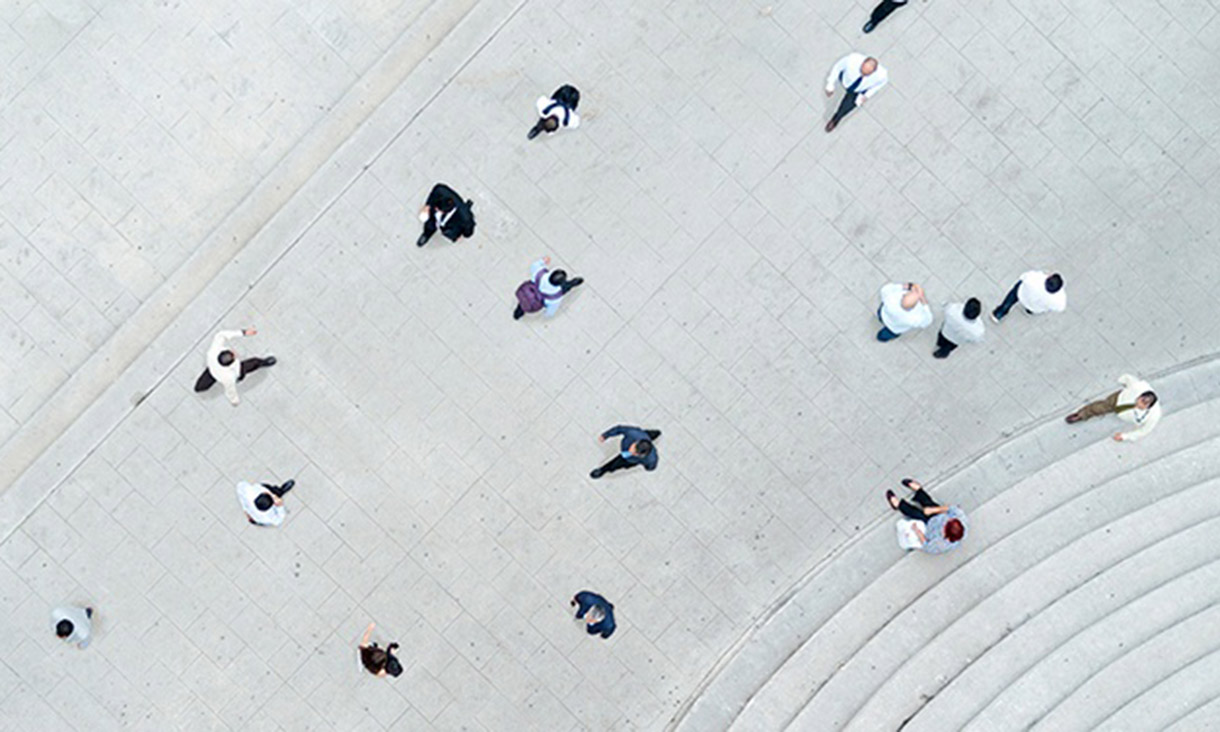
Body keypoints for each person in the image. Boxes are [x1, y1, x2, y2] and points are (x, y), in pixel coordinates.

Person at [1066, 374, 1162, 442]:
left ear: (1148, 407)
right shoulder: (1139, 386)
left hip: (1124, 414)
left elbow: (1144, 430)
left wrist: (1126, 436)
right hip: (1118, 399)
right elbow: (1128, 378)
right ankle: (1081, 414)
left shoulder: (1154, 415)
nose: (1139, 404)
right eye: (1140, 400)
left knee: (1102, 408)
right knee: (1099, 407)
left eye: (1143, 405)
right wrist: (1122, 380)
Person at [193, 327, 276, 406]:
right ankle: (264, 362)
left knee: (202, 384)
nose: (234, 352)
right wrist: (234, 400)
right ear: (231, 363)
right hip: (235, 371)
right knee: (254, 362)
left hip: (211, 370)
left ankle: (199, 388)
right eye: (234, 355)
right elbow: (230, 390)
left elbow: (221, 335)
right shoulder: (228, 377)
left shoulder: (213, 352)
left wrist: (243, 332)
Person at [884, 479, 967, 554]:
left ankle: (899, 505)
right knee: (928, 502)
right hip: (938, 514)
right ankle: (919, 490)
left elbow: (926, 546)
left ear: (945, 532)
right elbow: (952, 509)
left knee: (915, 513)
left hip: (929, 526)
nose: (948, 520)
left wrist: (917, 531)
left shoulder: (941, 544)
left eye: (947, 523)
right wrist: (933, 510)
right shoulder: (961, 519)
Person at [824, 53, 888, 132]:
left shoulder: (881, 75)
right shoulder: (851, 60)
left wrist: (866, 95)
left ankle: (835, 119)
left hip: (859, 90)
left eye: (866, 74)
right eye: (862, 71)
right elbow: (837, 68)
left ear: (873, 72)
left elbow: (878, 85)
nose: (863, 74)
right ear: (862, 63)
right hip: (846, 80)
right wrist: (830, 83)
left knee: (846, 107)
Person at [514, 256, 584, 319]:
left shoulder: (539, 273)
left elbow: (534, 265)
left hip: (529, 294)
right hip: (544, 298)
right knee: (566, 287)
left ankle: (518, 312)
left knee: (524, 302)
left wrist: (542, 261)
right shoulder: (555, 297)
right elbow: (550, 312)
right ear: (560, 284)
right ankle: (574, 282)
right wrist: (547, 315)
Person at [990, 271, 1065, 323]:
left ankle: (999, 314)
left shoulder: (1035, 279)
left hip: (1021, 294)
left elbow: (1023, 277)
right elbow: (1059, 308)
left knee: (1010, 300)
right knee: (1032, 308)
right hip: (1035, 307)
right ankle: (1028, 311)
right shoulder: (1059, 300)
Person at [590, 425, 661, 479]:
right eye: (633, 447)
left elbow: (650, 467)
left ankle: (603, 470)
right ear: (636, 442)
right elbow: (619, 428)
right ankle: (655, 433)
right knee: (647, 434)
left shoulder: (651, 459)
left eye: (635, 453)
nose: (630, 451)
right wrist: (605, 435)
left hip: (629, 460)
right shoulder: (633, 433)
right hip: (642, 435)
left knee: (616, 463)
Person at [416, 183, 475, 247]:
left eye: (438, 209)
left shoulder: (465, 217)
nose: (436, 209)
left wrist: (463, 235)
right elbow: (436, 190)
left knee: (448, 232)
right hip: (435, 219)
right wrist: (427, 206)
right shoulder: (441, 191)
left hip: (451, 226)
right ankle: (427, 234)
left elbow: (469, 228)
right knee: (430, 224)